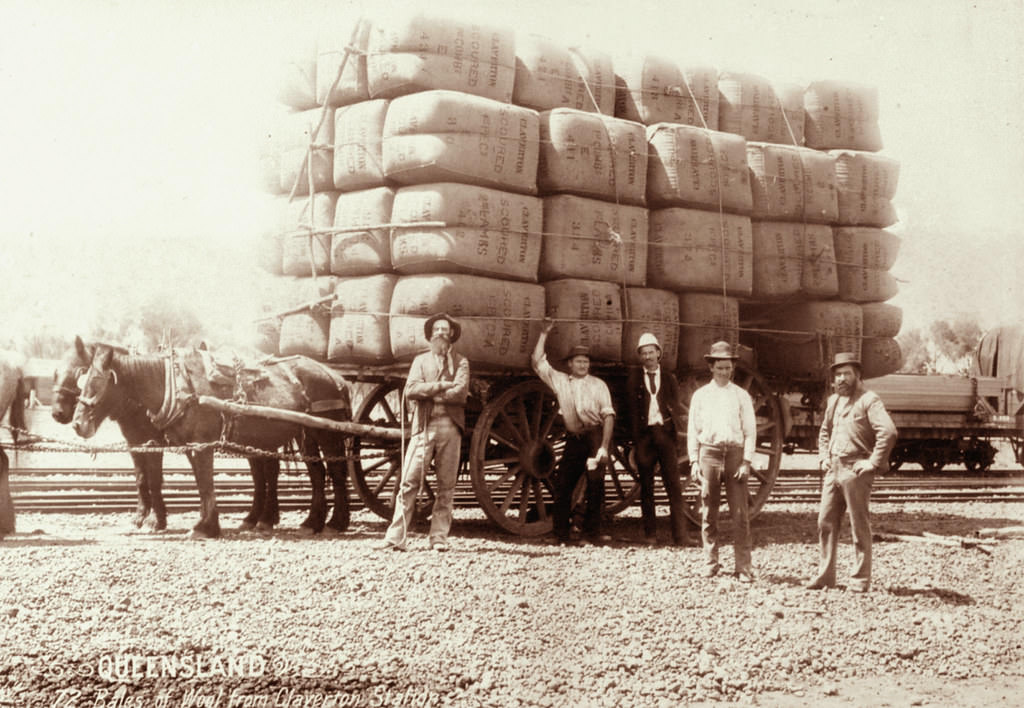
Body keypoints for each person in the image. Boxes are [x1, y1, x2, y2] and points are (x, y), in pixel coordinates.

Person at [375, 313, 469, 552]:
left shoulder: (461, 362)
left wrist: (432, 392)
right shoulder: (420, 361)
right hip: (423, 427)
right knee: (409, 482)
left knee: (446, 486)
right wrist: (440, 386)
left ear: (451, 335)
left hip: (450, 428)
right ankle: (397, 537)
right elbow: (411, 390)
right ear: (430, 335)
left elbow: (460, 393)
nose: (441, 333)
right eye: (437, 329)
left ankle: (439, 538)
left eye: (445, 329)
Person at [807, 352, 897, 593]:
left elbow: (888, 432)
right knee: (825, 522)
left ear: (858, 375)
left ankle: (860, 579)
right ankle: (826, 577)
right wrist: (824, 457)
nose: (842, 379)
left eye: (847, 373)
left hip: (855, 471)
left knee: (859, 525)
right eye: (838, 374)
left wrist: (872, 462)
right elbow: (824, 431)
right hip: (833, 469)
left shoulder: (870, 400)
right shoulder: (834, 401)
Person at [532, 318, 616, 546]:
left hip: (594, 436)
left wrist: (603, 447)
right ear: (569, 364)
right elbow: (538, 362)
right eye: (578, 362)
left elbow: (608, 416)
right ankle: (560, 534)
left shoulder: (598, 385)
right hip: (574, 439)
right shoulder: (561, 381)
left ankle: (592, 534)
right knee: (563, 485)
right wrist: (544, 333)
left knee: (596, 485)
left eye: (585, 362)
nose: (582, 365)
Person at [687, 341, 757, 581]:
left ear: (732, 368)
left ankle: (743, 567)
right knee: (709, 512)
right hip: (709, 455)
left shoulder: (741, 396)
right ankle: (710, 562)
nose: (724, 372)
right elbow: (693, 431)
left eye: (728, 368)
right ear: (711, 367)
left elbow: (750, 431)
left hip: (735, 455)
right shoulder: (700, 396)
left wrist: (746, 461)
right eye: (720, 368)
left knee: (740, 514)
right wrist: (694, 462)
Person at [627, 332, 692, 546]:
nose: (648, 357)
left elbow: (674, 404)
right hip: (645, 437)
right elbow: (632, 411)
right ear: (640, 357)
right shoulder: (635, 378)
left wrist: (673, 429)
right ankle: (650, 535)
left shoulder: (669, 378)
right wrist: (636, 439)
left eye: (651, 352)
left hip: (664, 435)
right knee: (646, 487)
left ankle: (680, 536)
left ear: (658, 353)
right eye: (643, 353)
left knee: (673, 485)